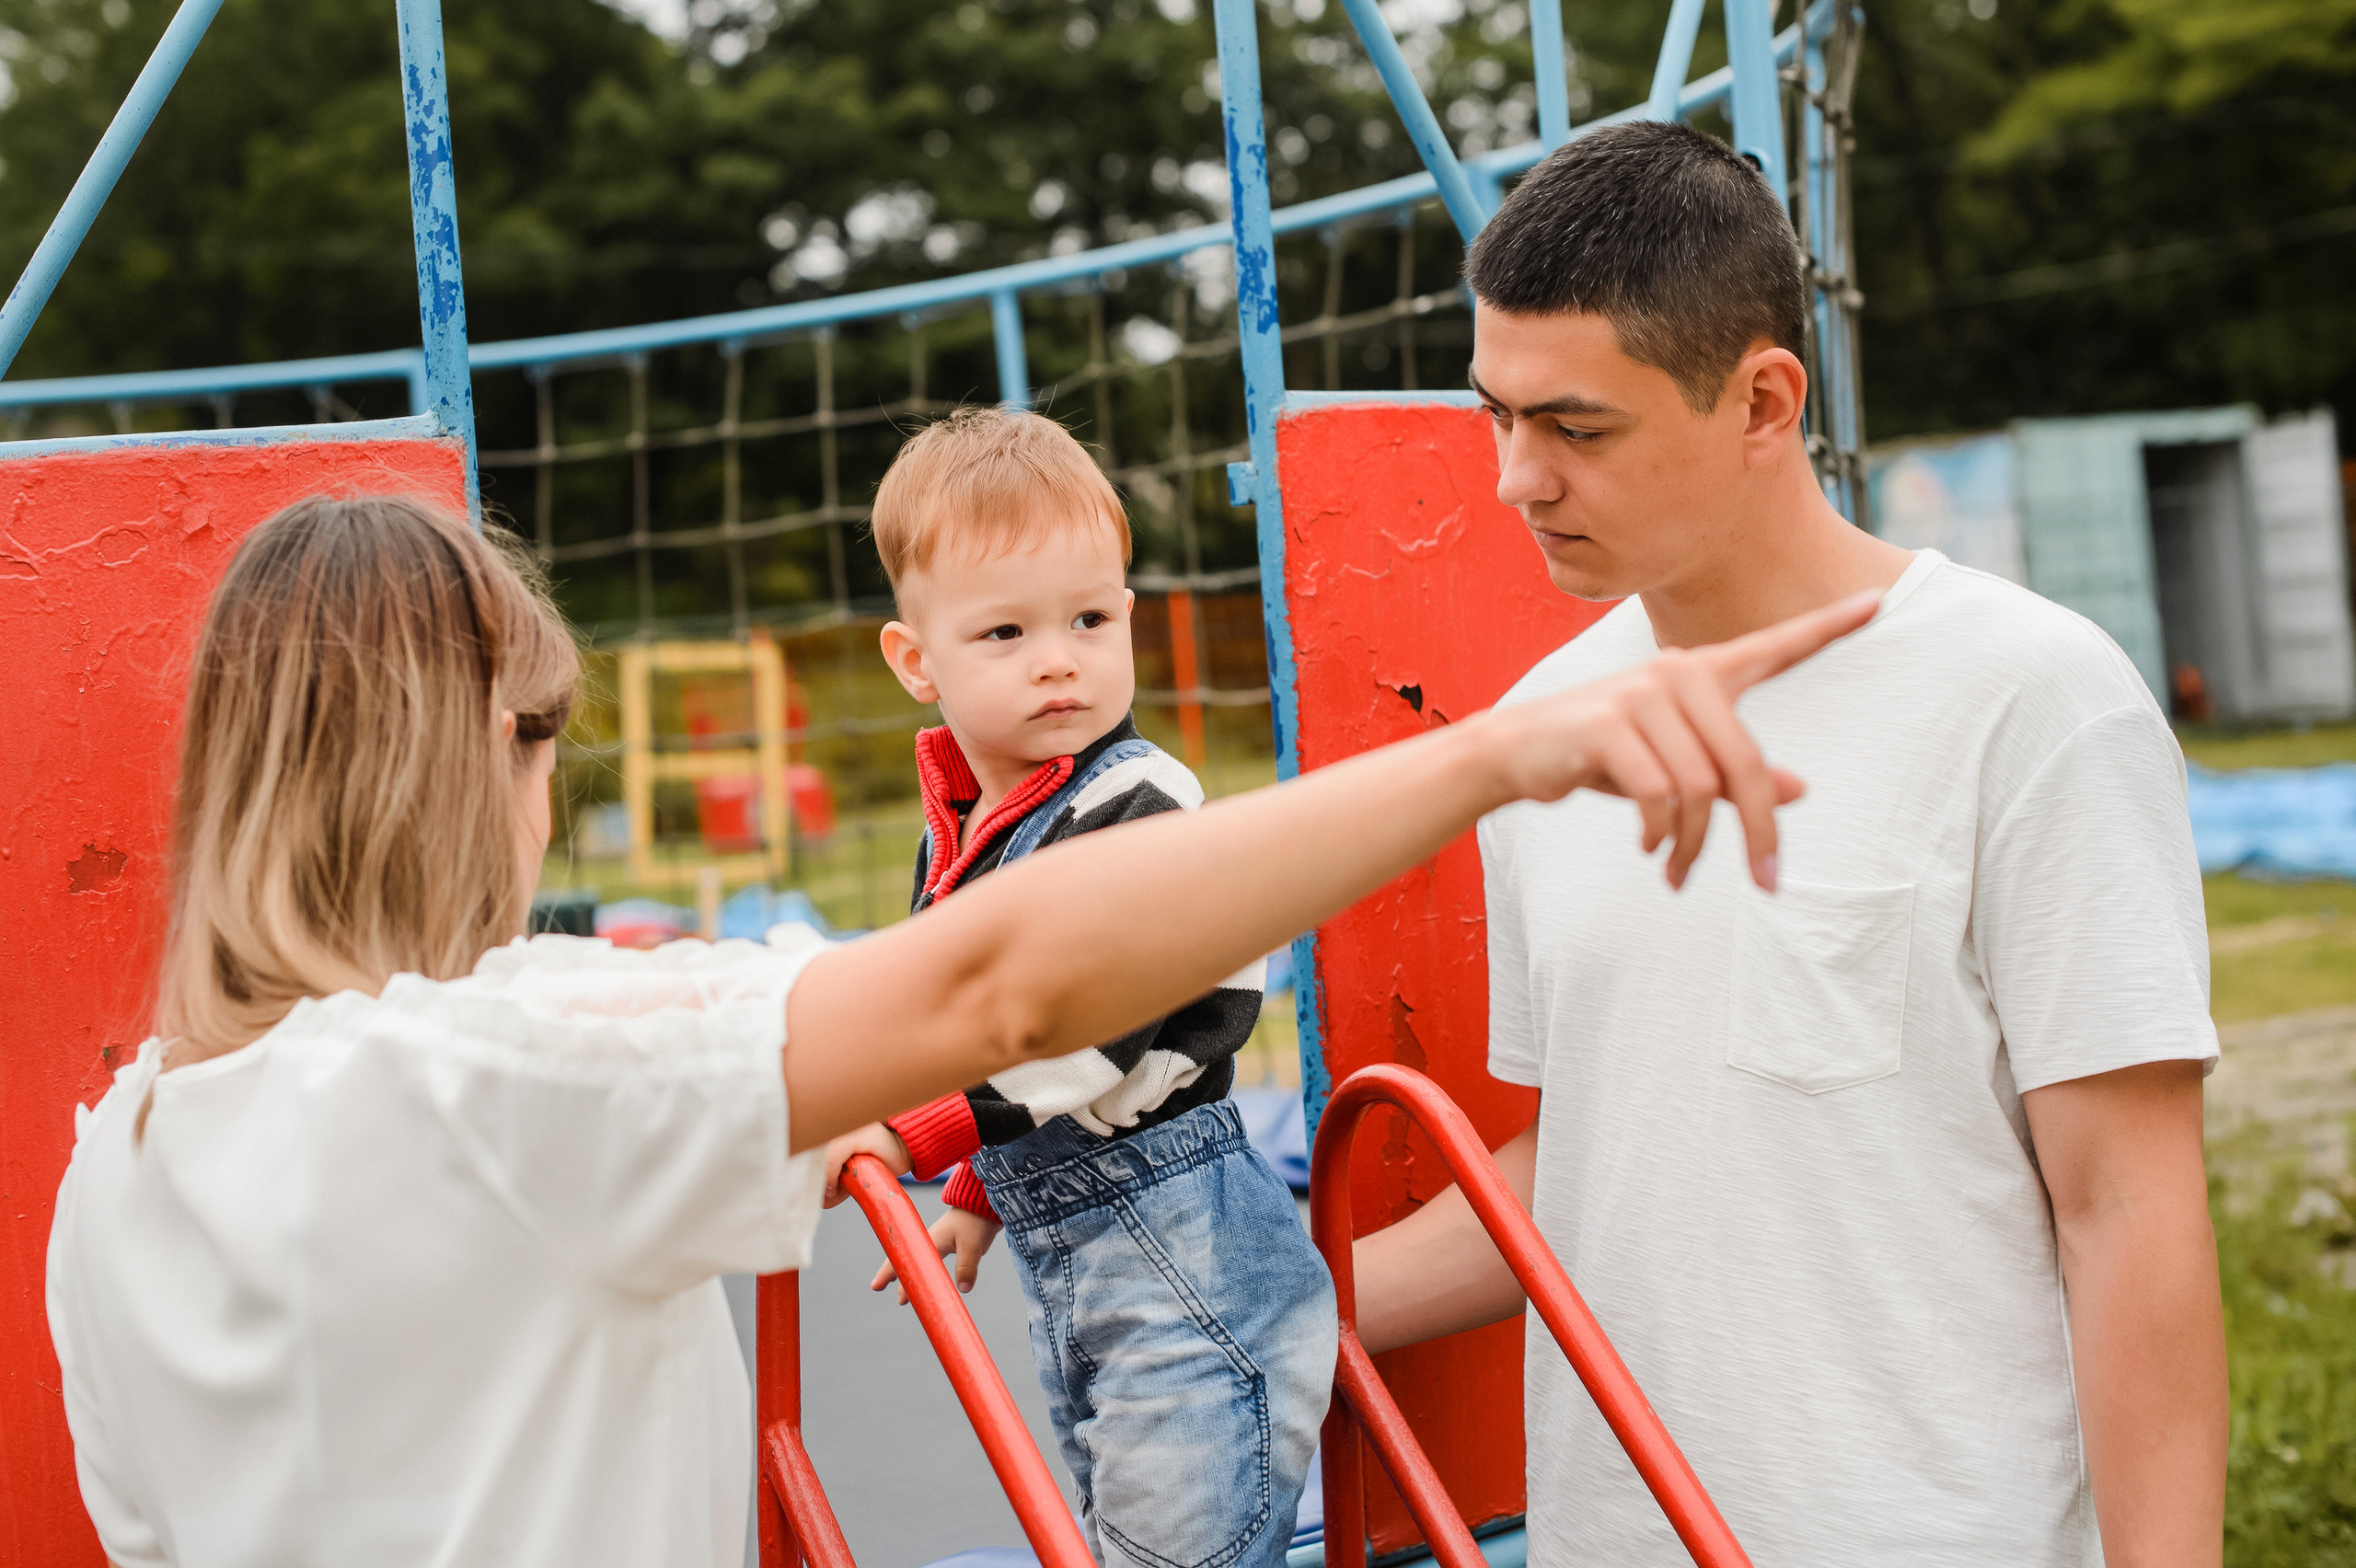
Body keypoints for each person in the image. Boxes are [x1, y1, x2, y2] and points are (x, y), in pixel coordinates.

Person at [43, 492, 1872, 1567]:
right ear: (470, 763)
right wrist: (1493, 754)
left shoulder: (112, 1171)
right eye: (547, 743)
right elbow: (993, 982)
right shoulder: (490, 1093)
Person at [1350, 121, 2225, 1567]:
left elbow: (2126, 1209)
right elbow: (1596, 1157)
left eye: (1575, 428)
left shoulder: (2032, 699)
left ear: (1764, 400)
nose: (1516, 480)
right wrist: (1264, 1314)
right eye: (1495, 416)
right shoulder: (1539, 733)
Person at [819, 407, 1334, 1568]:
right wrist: (979, 1193)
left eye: (1089, 619)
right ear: (917, 661)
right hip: (1094, 1275)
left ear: (1128, 621)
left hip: (1190, 1271)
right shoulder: (967, 830)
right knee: (1110, 1539)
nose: (1059, 656)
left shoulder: (1142, 802)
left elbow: (1086, 1031)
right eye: (1004, 631)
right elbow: (973, 1018)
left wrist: (919, 1133)